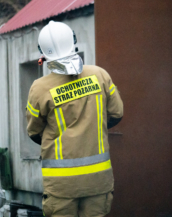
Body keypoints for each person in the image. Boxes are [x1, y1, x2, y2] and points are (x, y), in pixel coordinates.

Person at [26, 21, 124, 217]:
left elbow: (34, 132)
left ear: (43, 53)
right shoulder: (100, 75)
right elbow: (117, 114)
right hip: (98, 182)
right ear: (74, 42)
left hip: (61, 187)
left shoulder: (39, 88)